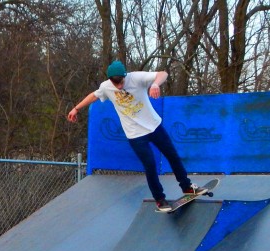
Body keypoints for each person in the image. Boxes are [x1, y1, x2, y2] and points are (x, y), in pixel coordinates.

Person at [67, 60, 205, 211]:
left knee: (172, 156)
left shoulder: (137, 78)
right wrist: (76, 109)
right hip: (135, 134)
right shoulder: (106, 86)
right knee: (150, 165)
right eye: (115, 83)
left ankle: (187, 187)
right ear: (110, 80)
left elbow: (162, 74)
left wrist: (155, 84)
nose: (119, 86)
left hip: (154, 126)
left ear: (125, 76)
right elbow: (93, 96)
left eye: (121, 82)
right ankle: (160, 199)